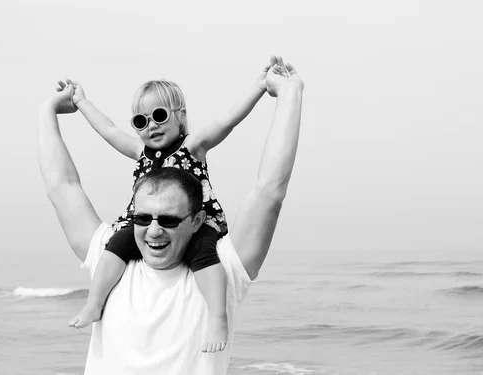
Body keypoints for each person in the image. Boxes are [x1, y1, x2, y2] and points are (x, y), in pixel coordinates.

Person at [37, 56, 304, 374]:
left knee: (203, 252)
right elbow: (63, 185)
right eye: (143, 218)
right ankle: (94, 303)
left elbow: (268, 190)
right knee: (115, 246)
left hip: (206, 236)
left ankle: (217, 317)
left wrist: (277, 91)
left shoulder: (222, 263)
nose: (153, 231)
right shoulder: (118, 238)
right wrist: (55, 109)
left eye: (168, 220)